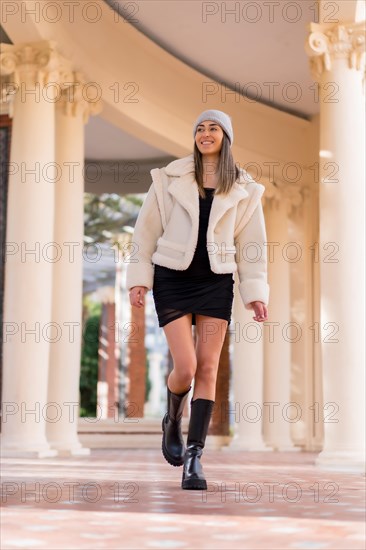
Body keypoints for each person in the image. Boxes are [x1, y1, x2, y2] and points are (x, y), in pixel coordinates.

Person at [126, 109, 269, 490]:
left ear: (226, 137)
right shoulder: (168, 178)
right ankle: (172, 418)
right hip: (172, 277)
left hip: (216, 282)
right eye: (200, 128)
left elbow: (252, 246)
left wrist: (255, 294)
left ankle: (194, 458)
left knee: (208, 369)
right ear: (195, 137)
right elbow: (145, 233)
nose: (206, 134)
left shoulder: (245, 188)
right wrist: (139, 280)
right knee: (186, 367)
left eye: (214, 128)